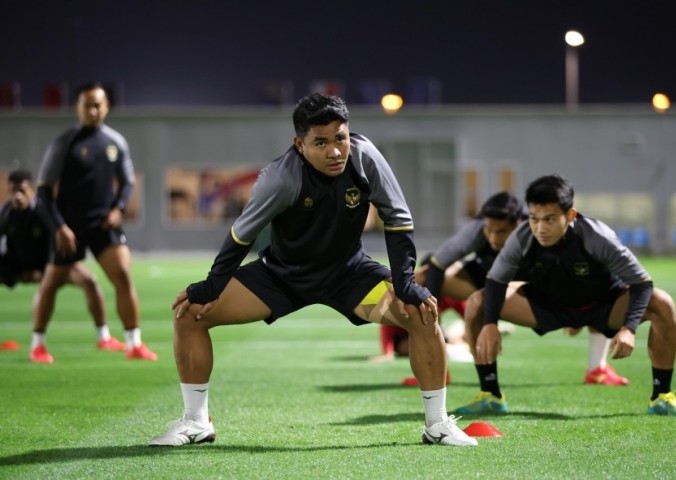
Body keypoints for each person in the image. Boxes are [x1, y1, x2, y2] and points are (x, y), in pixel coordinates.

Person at [149, 93, 476, 447]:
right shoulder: (280, 178)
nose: (335, 151)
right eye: (321, 142)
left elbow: (397, 220)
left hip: (349, 275)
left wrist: (406, 283)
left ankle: (437, 425)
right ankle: (196, 423)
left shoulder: (365, 157)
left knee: (423, 314)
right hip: (282, 277)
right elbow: (239, 237)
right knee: (190, 315)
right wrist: (211, 288)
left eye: (340, 138)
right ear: (299, 144)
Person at [455, 174, 676, 417]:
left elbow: (642, 283)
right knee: (478, 302)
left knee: (662, 302)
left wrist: (629, 328)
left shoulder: (597, 236)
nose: (540, 228)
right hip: (546, 305)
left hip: (603, 305)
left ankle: (662, 396)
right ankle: (490, 395)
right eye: (534, 219)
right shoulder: (522, 237)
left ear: (570, 215)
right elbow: (496, 281)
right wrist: (490, 323)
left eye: (549, 219)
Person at [375, 192, 629, 387]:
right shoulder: (478, 231)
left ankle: (597, 369)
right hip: (486, 279)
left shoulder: (542, 234)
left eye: (501, 232)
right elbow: (438, 265)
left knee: (597, 288)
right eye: (489, 230)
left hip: (535, 286)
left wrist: (574, 307)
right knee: (422, 278)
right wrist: (433, 317)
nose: (494, 238)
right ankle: (438, 370)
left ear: (519, 224)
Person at [34, 82, 157, 362]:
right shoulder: (64, 143)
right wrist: (59, 228)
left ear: (107, 107)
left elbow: (127, 182)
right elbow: (43, 191)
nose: (92, 110)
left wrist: (119, 209)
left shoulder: (116, 142)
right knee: (51, 283)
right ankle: (37, 344)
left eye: (98, 104)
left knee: (124, 277)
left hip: (104, 225)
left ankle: (134, 344)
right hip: (69, 227)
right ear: (77, 107)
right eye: (87, 104)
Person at [1, 169, 126, 362]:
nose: (17, 196)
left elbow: (59, 240)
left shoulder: (44, 213)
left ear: (32, 190)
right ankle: (37, 346)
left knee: (90, 282)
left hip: (49, 265)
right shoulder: (6, 213)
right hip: (17, 266)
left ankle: (104, 337)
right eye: (13, 191)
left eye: (22, 190)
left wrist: (46, 270)